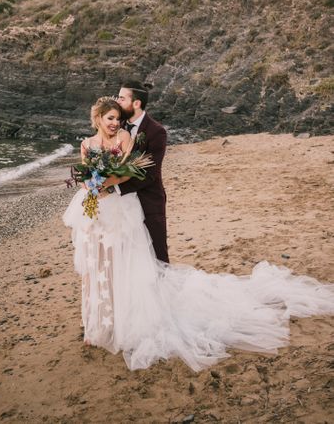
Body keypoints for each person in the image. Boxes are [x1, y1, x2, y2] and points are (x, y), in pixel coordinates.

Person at [63, 97, 334, 372]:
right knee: (96, 265)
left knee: (122, 263)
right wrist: (91, 186)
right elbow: (86, 174)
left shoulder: (124, 138)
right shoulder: (87, 144)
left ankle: (121, 323)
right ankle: (96, 325)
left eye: (117, 118)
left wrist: (107, 181)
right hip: (97, 209)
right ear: (97, 118)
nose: (115, 123)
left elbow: (128, 171)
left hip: (120, 207)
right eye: (109, 118)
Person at [102, 80, 169, 263]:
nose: (118, 101)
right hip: (121, 206)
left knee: (157, 257)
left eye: (122, 98)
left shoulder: (157, 132)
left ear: (136, 103)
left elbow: (149, 174)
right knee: (126, 257)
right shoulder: (117, 125)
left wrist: (112, 185)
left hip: (148, 201)